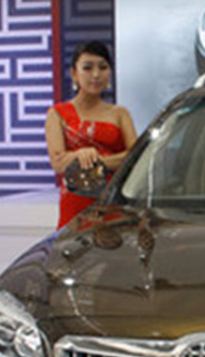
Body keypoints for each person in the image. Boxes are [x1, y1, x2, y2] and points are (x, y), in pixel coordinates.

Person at [45, 41, 137, 228]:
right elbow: (58, 163)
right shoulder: (58, 113)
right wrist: (79, 154)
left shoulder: (120, 113)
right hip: (75, 201)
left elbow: (135, 156)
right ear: (74, 73)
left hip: (114, 199)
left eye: (103, 67)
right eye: (87, 68)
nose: (96, 74)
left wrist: (96, 160)